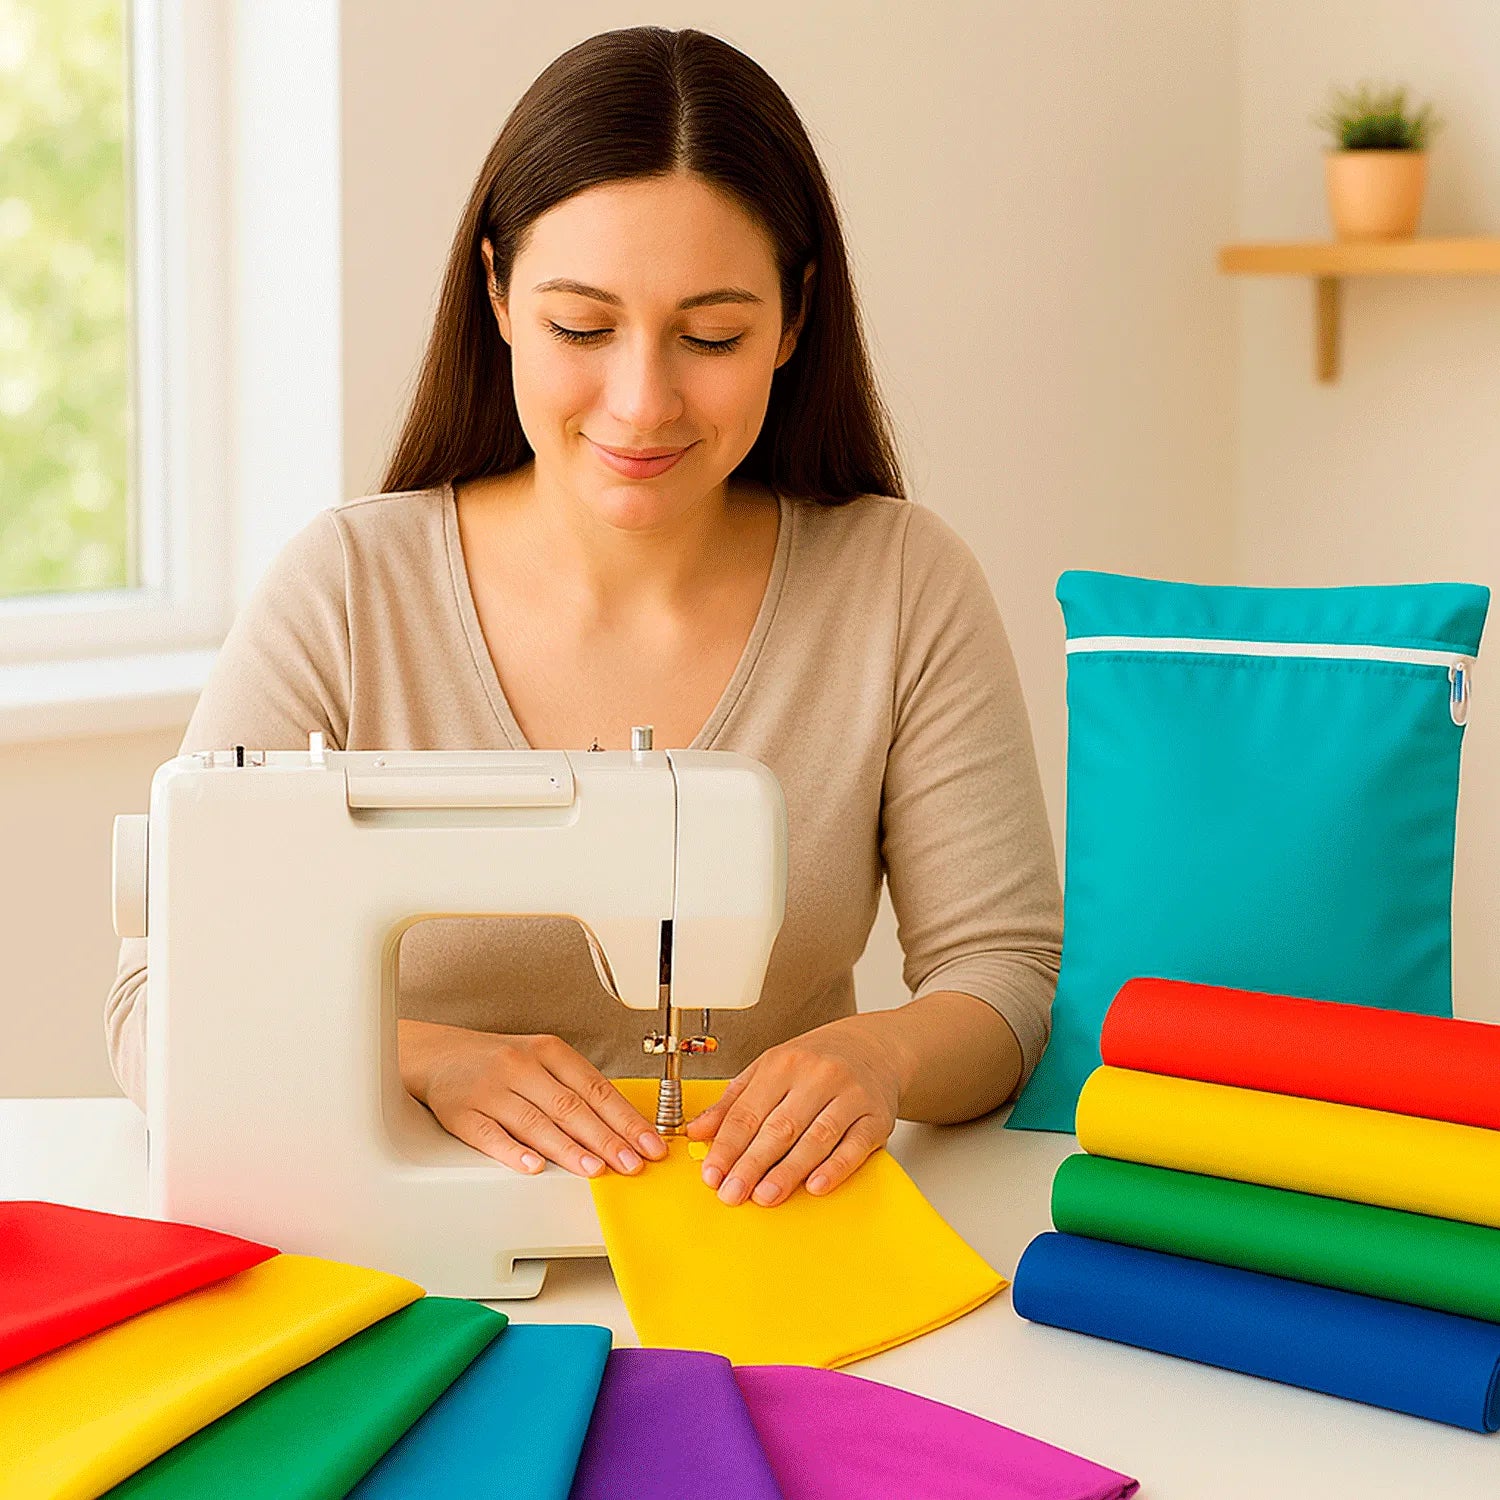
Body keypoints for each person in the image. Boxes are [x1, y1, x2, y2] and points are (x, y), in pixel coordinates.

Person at [106, 25, 1062, 1212]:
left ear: (794, 318)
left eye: (711, 336)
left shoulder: (901, 584)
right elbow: (155, 1006)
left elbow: (1004, 975)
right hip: (398, 1260)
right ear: (499, 293)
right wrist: (424, 1058)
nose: (643, 401)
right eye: (582, 328)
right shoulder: (347, 592)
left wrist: (880, 1056)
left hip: (753, 1244)